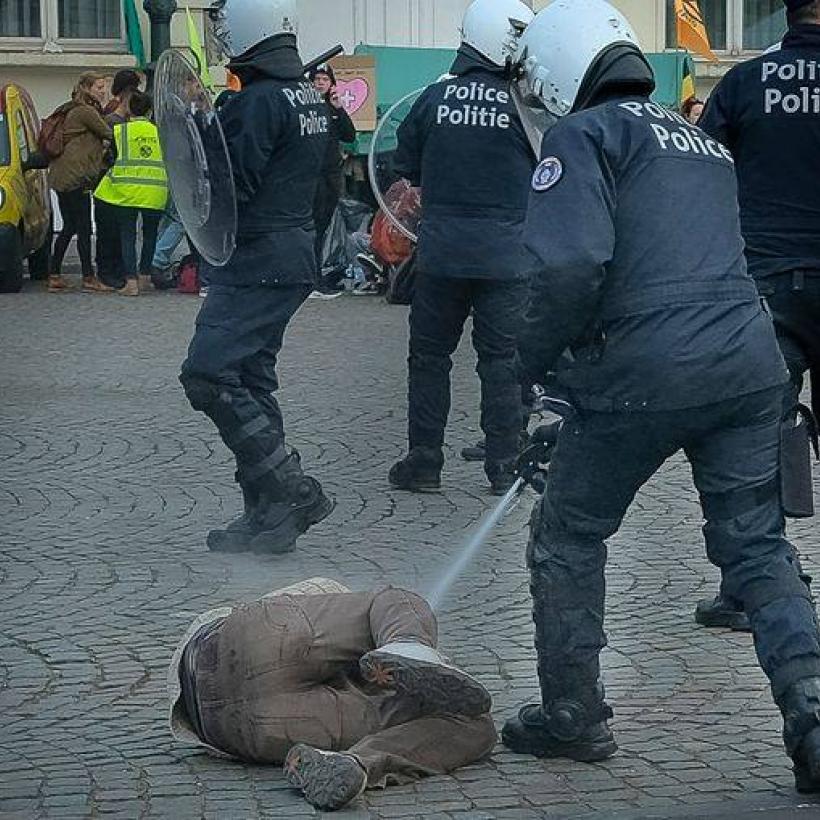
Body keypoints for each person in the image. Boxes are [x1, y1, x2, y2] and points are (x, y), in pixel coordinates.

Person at [501, 0, 820, 795]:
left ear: (554, 69)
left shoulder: (582, 136)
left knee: (568, 532)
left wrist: (532, 370)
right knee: (757, 546)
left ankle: (572, 714)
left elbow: (570, 269)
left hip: (647, 371)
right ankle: (813, 714)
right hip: (747, 361)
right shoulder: (702, 142)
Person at [179, 0, 334, 555]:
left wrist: (203, 132)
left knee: (208, 374)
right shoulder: (309, 97)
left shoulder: (256, 103)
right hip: (292, 254)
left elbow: (227, 189)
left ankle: (290, 490)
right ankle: (269, 517)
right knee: (250, 378)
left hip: (255, 259)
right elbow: (327, 188)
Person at [695, 0, 820, 631]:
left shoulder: (745, 83)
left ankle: (749, 586)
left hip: (765, 281)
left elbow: (701, 170)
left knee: (755, 437)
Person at [168, 577, 496, 812]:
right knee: (474, 723)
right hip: (266, 724)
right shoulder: (331, 594)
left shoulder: (325, 612)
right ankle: (360, 761)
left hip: (220, 718)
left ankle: (408, 644)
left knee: (392, 601)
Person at [388, 0, 536, 497]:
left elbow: (403, 163)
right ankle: (505, 464)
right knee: (503, 360)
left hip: (443, 252)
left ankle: (425, 460)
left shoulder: (435, 97)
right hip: (508, 255)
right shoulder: (526, 102)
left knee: (429, 357)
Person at [94, 92, 168, 297]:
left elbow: (110, 158)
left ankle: (131, 282)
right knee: (151, 234)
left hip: (126, 191)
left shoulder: (120, 132)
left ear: (129, 110)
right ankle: (145, 276)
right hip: (155, 191)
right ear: (150, 111)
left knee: (128, 235)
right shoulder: (161, 132)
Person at [47, 72, 114, 294]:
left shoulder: (70, 108)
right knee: (83, 228)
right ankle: (88, 277)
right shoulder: (85, 111)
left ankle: (54, 274)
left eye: (104, 87)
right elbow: (108, 131)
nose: (103, 91)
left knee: (69, 226)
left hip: (62, 176)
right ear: (86, 88)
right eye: (99, 87)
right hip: (77, 178)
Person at [309, 64, 356, 299]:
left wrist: (340, 109)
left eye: (324, 80)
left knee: (321, 227)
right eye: (316, 79)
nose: (320, 83)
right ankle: (311, 279)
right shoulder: (306, 108)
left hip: (330, 176)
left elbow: (349, 135)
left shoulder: (332, 108)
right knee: (311, 229)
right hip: (310, 176)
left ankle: (315, 277)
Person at [96, 69, 144, 289]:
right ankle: (107, 271)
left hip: (125, 182)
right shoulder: (111, 119)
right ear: (126, 91)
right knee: (108, 228)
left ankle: (119, 270)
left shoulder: (128, 118)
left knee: (120, 229)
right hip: (108, 179)